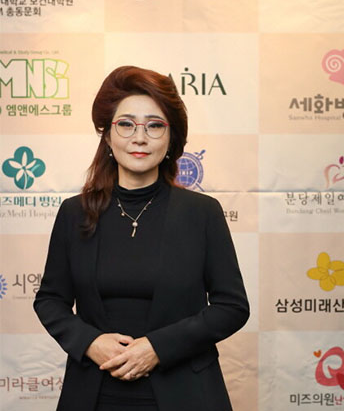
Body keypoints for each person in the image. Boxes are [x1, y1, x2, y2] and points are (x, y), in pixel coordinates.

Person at [34, 65, 249, 411]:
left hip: (187, 394)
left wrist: (158, 348)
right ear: (107, 136)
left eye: (154, 125)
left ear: (171, 139)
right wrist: (89, 342)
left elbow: (232, 307)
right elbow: (50, 300)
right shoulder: (75, 212)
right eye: (126, 124)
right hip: (94, 393)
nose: (139, 137)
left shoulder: (202, 213)